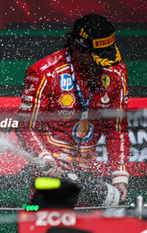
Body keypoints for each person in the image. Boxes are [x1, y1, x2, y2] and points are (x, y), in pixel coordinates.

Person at [17, 14, 130, 206]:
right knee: (45, 224)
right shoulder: (45, 72)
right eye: (97, 56)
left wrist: (120, 177)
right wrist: (45, 159)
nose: (101, 63)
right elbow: (26, 127)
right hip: (50, 171)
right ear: (78, 47)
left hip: (90, 172)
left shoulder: (116, 72)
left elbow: (116, 129)